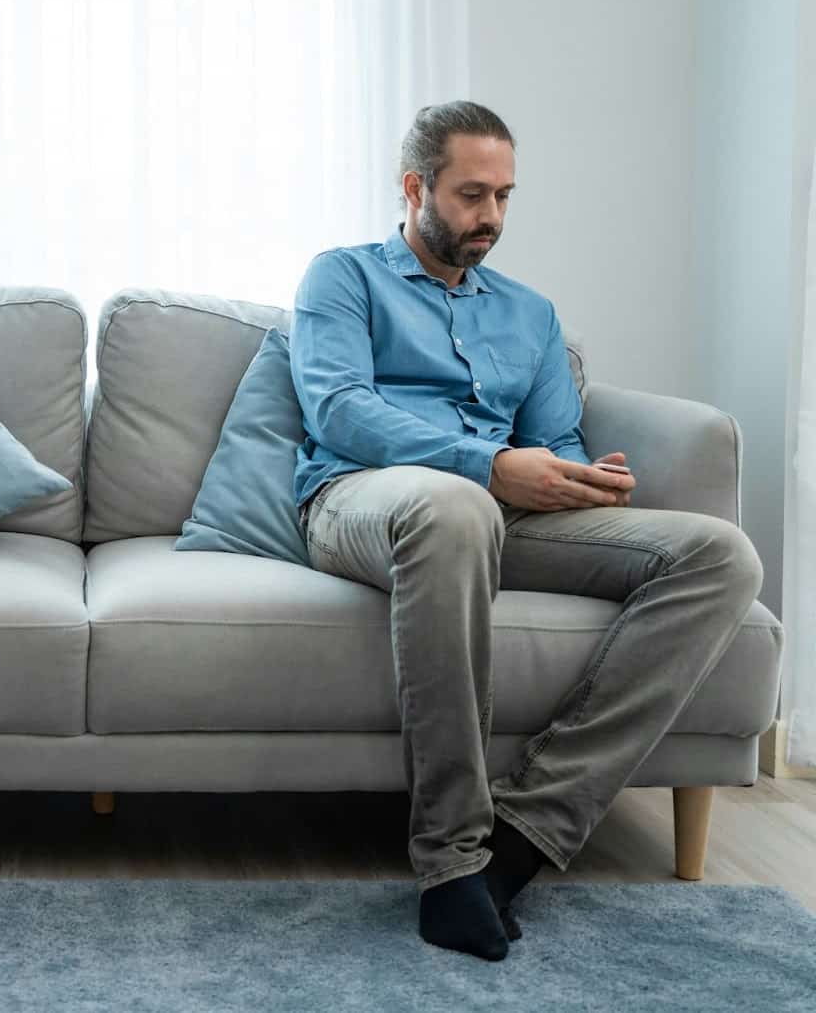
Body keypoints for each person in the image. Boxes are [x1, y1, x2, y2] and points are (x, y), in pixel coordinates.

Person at [291, 101, 763, 962]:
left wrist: (580, 479)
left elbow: (555, 439)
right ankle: (450, 862)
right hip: (362, 499)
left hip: (498, 515)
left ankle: (526, 834)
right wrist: (488, 464)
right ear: (415, 188)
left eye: (504, 196)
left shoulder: (530, 313)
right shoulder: (343, 278)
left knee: (719, 555)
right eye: (472, 195)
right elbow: (340, 411)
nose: (492, 217)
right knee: (457, 505)